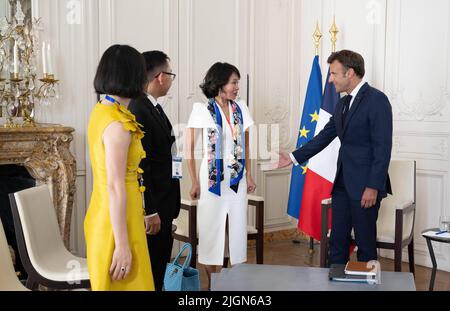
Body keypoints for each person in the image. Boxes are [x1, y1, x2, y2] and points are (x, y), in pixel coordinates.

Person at [276, 50, 393, 264]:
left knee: (365, 246)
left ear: (349, 73)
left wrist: (373, 186)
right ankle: (333, 285)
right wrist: (293, 157)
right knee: (337, 242)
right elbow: (322, 138)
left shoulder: (377, 100)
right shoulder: (341, 104)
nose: (330, 79)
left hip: (366, 187)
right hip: (341, 185)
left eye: (333, 74)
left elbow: (382, 148)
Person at [85, 44, 155, 291]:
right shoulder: (117, 125)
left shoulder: (103, 111)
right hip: (117, 220)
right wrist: (122, 245)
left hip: (111, 212)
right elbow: (116, 186)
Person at [186, 62, 257, 289]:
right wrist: (194, 181)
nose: (237, 87)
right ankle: (211, 284)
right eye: (233, 82)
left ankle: (233, 286)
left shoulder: (241, 108)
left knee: (237, 231)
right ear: (219, 83)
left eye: (237, 82)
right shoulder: (201, 109)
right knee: (210, 232)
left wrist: (250, 174)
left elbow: (246, 146)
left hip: (236, 181)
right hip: (211, 181)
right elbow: (188, 149)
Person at [128, 51, 180, 291]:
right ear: (160, 76)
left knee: (159, 266)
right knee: (152, 268)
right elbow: (141, 164)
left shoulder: (154, 107)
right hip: (155, 205)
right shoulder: (139, 108)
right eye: (171, 74)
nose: (171, 79)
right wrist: (150, 210)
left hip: (165, 201)